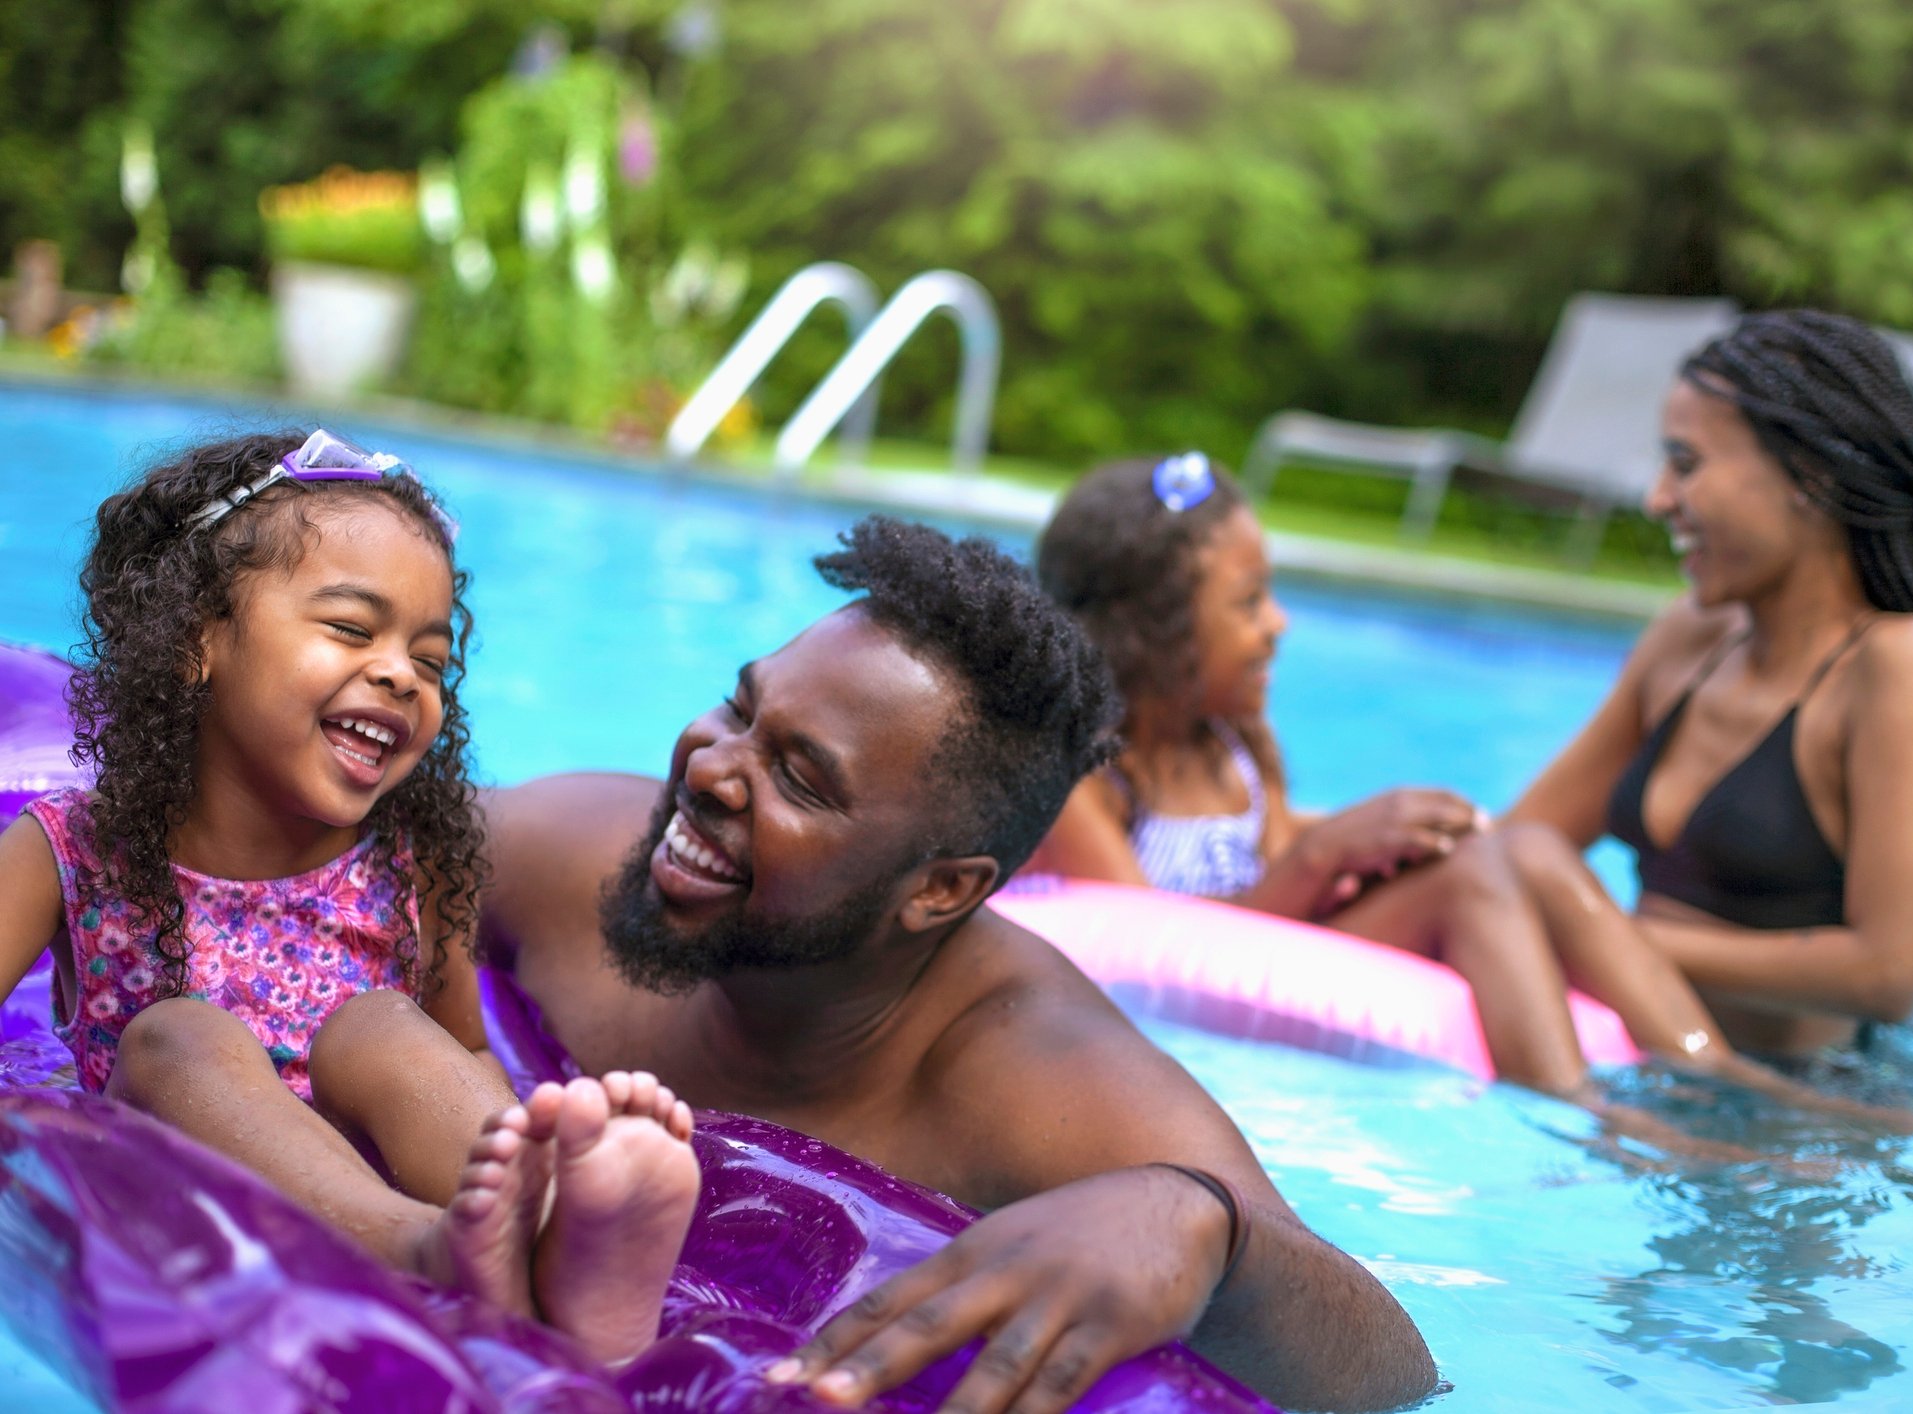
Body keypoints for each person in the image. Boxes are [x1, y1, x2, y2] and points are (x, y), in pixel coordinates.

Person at [480, 515, 1438, 1414]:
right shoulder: (565, 860)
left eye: (800, 779)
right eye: (740, 708)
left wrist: (1200, 1224)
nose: (708, 768)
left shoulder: (1028, 1081)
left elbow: (1392, 1370)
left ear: (939, 890)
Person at [0, 431, 699, 1364]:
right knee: (178, 1036)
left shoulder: (411, 865)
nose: (401, 673)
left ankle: (566, 1234)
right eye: (350, 629)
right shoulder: (72, 848)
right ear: (198, 638)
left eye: (431, 660)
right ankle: (429, 1247)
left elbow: (462, 1051)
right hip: (184, 1167)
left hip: (370, 1158)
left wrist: (511, 1131)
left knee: (382, 1025)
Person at [1422, 309, 1913, 1098]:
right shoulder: (1688, 641)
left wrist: (1603, 934)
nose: (1658, 500)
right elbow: (1523, 841)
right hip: (1640, 1063)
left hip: (1798, 1110)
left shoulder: (1894, 664)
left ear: (1811, 478)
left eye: (1685, 465)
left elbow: (1889, 971)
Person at [1029, 451, 1592, 1082]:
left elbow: (1272, 867)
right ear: (1152, 634)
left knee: (1528, 851)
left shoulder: (1237, 748)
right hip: (1174, 1027)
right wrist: (1320, 858)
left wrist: (1379, 844)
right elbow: (1137, 949)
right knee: (1471, 881)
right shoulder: (1088, 779)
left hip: (1260, 969)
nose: (1278, 621)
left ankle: (1694, 1069)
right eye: (1248, 603)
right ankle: (1589, 1117)